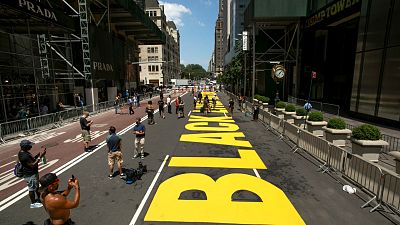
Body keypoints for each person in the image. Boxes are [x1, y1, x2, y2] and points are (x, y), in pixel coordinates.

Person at [18, 140, 46, 209]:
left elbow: (32, 160)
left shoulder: (24, 152)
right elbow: (32, 165)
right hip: (30, 174)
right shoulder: (24, 156)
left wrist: (37, 156)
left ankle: (39, 199)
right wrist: (40, 157)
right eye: (29, 145)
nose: (31, 146)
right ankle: (33, 203)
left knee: (36, 187)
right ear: (25, 147)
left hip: (33, 173)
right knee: (31, 189)